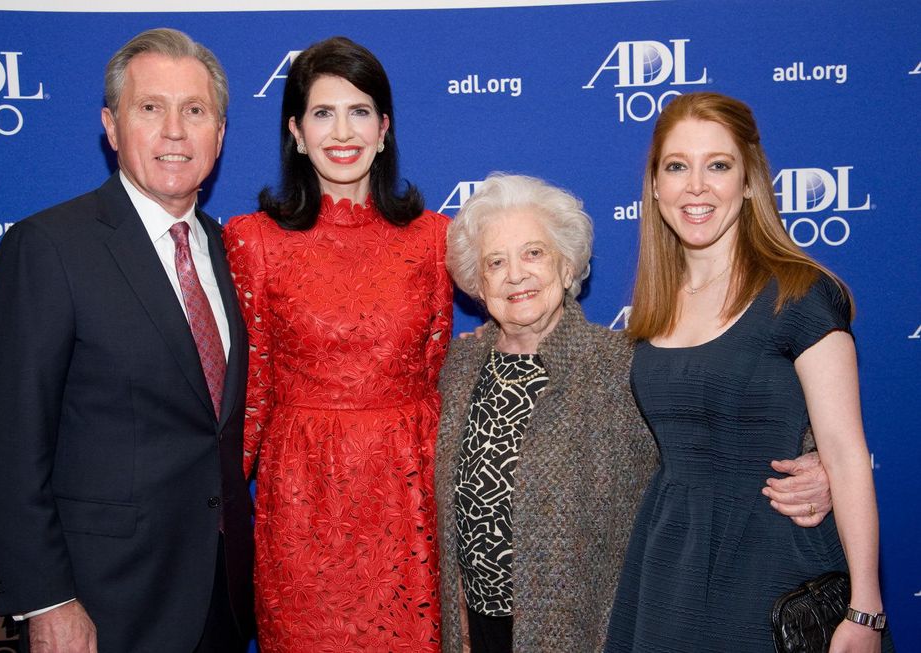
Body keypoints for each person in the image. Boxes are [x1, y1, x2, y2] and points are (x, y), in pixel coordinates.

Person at [436, 173, 832, 653]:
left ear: (568, 266)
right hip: (478, 625)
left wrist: (819, 461)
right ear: (478, 284)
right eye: (495, 262)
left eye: (534, 253)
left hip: (594, 627)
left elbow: (728, 421)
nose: (515, 274)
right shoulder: (457, 367)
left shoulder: (623, 362)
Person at [0, 28, 253, 653]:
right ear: (111, 125)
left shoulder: (233, 252)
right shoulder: (49, 247)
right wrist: (48, 601)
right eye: (150, 107)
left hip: (223, 597)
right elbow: (12, 446)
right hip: (104, 603)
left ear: (219, 134)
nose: (175, 131)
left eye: (195, 111)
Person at [605, 92, 894, 652]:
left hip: (772, 566)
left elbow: (845, 452)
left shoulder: (800, 294)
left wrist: (866, 610)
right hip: (667, 568)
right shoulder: (653, 310)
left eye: (718, 165)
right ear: (655, 186)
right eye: (677, 167)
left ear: (748, 181)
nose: (696, 187)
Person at [223, 36, 451, 651]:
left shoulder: (435, 238)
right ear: (296, 132)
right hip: (303, 501)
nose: (343, 132)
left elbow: (435, 374)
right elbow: (253, 391)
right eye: (323, 113)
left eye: (359, 112)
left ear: (384, 129)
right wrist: (212, 506)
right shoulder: (253, 240)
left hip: (409, 498)